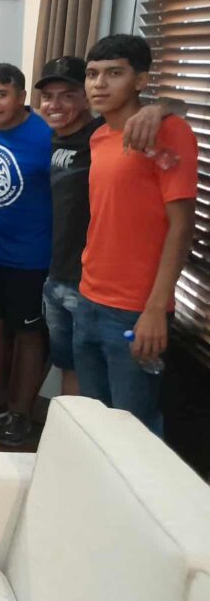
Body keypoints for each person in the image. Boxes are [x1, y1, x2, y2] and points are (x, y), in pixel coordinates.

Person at [76, 35, 197, 433]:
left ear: (140, 80)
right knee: (95, 423)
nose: (99, 84)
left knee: (134, 430)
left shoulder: (168, 132)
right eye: (92, 74)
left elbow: (182, 227)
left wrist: (156, 309)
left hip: (134, 309)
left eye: (114, 73)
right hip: (89, 298)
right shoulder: (98, 137)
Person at [37, 55, 175, 399]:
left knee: (125, 399)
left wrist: (159, 109)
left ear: (86, 99)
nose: (55, 105)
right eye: (48, 97)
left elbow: (174, 111)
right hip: (57, 275)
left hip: (96, 288)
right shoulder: (47, 136)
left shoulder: (102, 135)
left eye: (67, 95)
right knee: (71, 370)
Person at [0, 63, 51, 445]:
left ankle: (21, 412)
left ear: (21, 97)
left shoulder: (47, 135)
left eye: (1, 95)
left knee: (28, 336)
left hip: (31, 258)